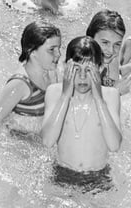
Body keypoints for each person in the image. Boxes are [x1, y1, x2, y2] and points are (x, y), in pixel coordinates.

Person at [41, 36, 121, 192]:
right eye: (76, 69)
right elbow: (47, 141)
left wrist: (98, 98)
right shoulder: (55, 92)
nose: (83, 76)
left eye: (89, 70)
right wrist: (65, 96)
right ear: (65, 68)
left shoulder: (110, 95)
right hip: (62, 176)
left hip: (99, 178)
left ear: (100, 69)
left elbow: (114, 145)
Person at [0, 22, 61, 138]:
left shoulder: (52, 73)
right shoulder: (20, 84)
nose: (58, 54)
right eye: (51, 49)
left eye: (59, 48)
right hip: (22, 141)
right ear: (32, 51)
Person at [86, 10, 131, 96]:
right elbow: (84, 103)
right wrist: (117, 91)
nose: (111, 50)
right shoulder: (82, 65)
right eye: (105, 42)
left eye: (117, 44)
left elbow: (111, 84)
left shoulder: (112, 59)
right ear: (90, 38)